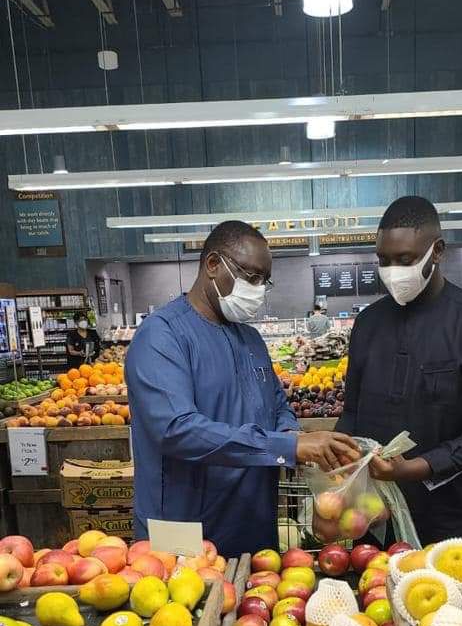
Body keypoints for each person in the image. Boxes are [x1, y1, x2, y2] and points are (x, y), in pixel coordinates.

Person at [126, 220, 359, 558]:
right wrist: (288, 445)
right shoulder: (162, 337)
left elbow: (276, 404)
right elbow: (176, 430)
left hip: (252, 524)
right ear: (212, 265)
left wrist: (293, 434)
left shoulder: (249, 339)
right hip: (185, 532)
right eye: (251, 277)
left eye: (265, 281)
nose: (259, 290)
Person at [326, 196, 462, 545]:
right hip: (377, 517)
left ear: (438, 251)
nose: (392, 271)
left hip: (454, 520)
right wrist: (341, 469)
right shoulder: (368, 324)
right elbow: (352, 412)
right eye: (383, 260)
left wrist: (415, 468)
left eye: (405, 260)